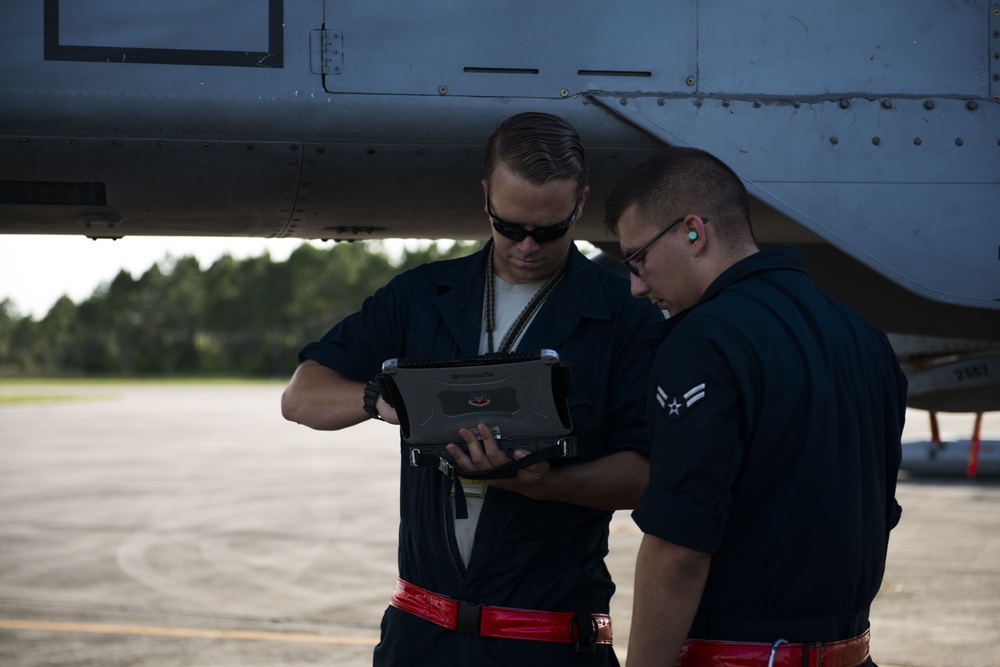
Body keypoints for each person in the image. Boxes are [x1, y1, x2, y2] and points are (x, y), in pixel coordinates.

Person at [281, 111, 663, 666]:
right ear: (486, 196)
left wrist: (545, 485)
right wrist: (377, 400)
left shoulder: (626, 315)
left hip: (547, 644)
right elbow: (300, 396)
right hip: (420, 640)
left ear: (579, 204)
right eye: (509, 226)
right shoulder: (420, 294)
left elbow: (648, 473)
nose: (527, 245)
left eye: (550, 229)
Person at [603, 147, 907, 667]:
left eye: (638, 259)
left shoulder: (702, 341)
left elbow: (679, 549)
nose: (635, 286)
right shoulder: (865, 338)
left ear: (693, 231)